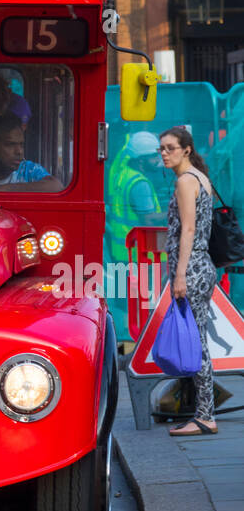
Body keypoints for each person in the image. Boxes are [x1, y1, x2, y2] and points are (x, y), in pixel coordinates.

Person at [159, 126, 219, 436]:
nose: (164, 154)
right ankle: (202, 411)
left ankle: (206, 416)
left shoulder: (186, 181)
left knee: (198, 343)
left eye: (170, 148)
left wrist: (180, 273)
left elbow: (189, 231)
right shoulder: (200, 178)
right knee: (198, 340)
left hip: (192, 268)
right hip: (201, 267)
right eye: (161, 149)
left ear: (186, 149)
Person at [104, 131, 167, 264]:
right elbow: (148, 219)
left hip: (124, 252)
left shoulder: (123, 173)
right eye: (154, 156)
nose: (158, 160)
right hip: (140, 254)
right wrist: (175, 212)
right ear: (140, 160)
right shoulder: (140, 184)